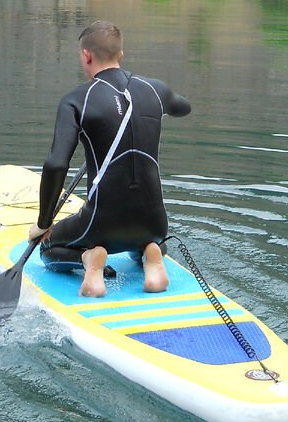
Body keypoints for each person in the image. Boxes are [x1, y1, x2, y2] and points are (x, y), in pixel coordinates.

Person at [28, 20, 191, 298]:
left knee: (48, 249)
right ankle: (151, 255)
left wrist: (44, 223)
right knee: (150, 238)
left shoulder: (76, 100)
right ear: (121, 56)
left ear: (86, 55)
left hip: (100, 224)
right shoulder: (155, 91)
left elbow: (56, 164)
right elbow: (184, 107)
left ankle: (90, 259)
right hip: (154, 224)